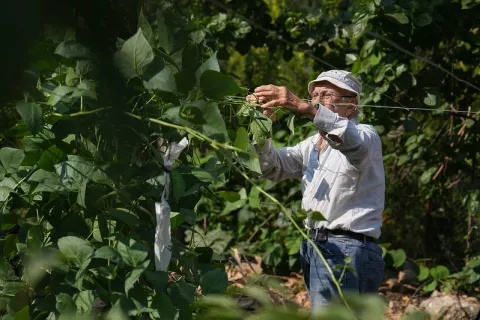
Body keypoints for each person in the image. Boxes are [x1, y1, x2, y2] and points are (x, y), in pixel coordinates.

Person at [246, 70, 385, 312]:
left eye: (327, 93)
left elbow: (352, 142)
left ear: (351, 105)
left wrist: (305, 108)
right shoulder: (311, 145)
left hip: (347, 248)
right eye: (314, 95)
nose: (317, 99)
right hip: (314, 246)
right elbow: (272, 168)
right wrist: (261, 125)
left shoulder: (366, 135)